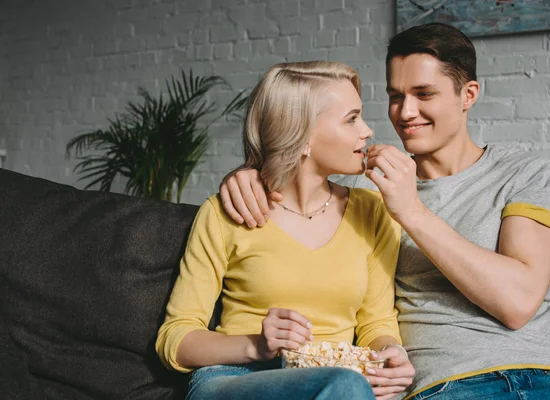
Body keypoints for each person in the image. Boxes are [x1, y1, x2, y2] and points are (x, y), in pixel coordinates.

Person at [218, 23, 550, 399]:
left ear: (468, 94)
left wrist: (412, 212)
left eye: (424, 94)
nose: (405, 112)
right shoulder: (365, 190)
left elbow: (517, 303)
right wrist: (249, 174)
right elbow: (299, 164)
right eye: (395, 96)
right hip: (448, 386)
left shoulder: (523, 173)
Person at [155, 61, 416, 400]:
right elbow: (174, 340)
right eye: (351, 119)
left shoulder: (374, 211)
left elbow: (376, 323)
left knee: (347, 385)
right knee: (347, 386)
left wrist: (390, 354)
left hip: (334, 381)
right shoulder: (226, 213)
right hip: (232, 379)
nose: (366, 131)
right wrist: (257, 346)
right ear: (303, 135)